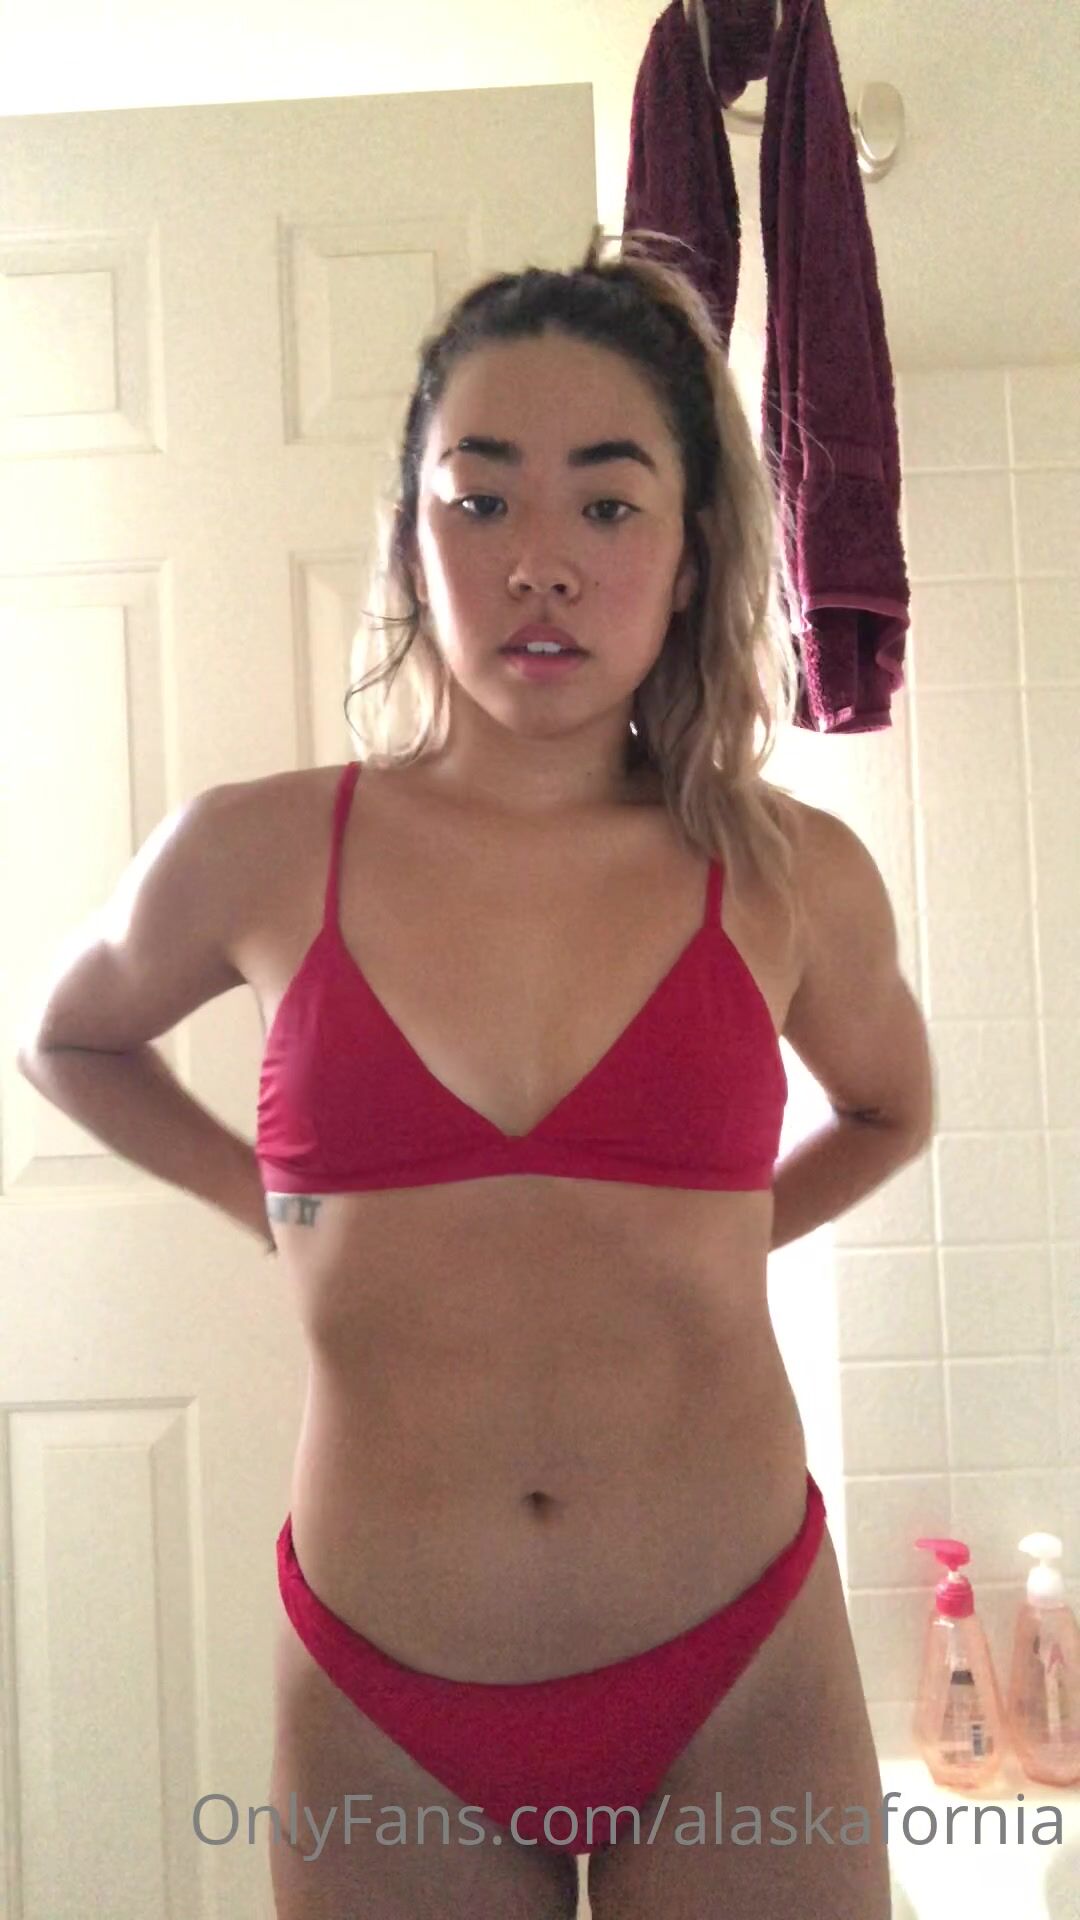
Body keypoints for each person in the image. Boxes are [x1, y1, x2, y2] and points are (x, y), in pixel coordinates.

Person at [19, 224, 934, 1919]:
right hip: (386, 1699)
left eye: (609, 504)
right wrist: (267, 1205)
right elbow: (65, 1037)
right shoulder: (254, 851)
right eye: (481, 496)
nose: (541, 564)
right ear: (411, 532)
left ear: (691, 552)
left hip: (738, 1674)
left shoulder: (789, 871)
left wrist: (718, 1233)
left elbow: (895, 1110)